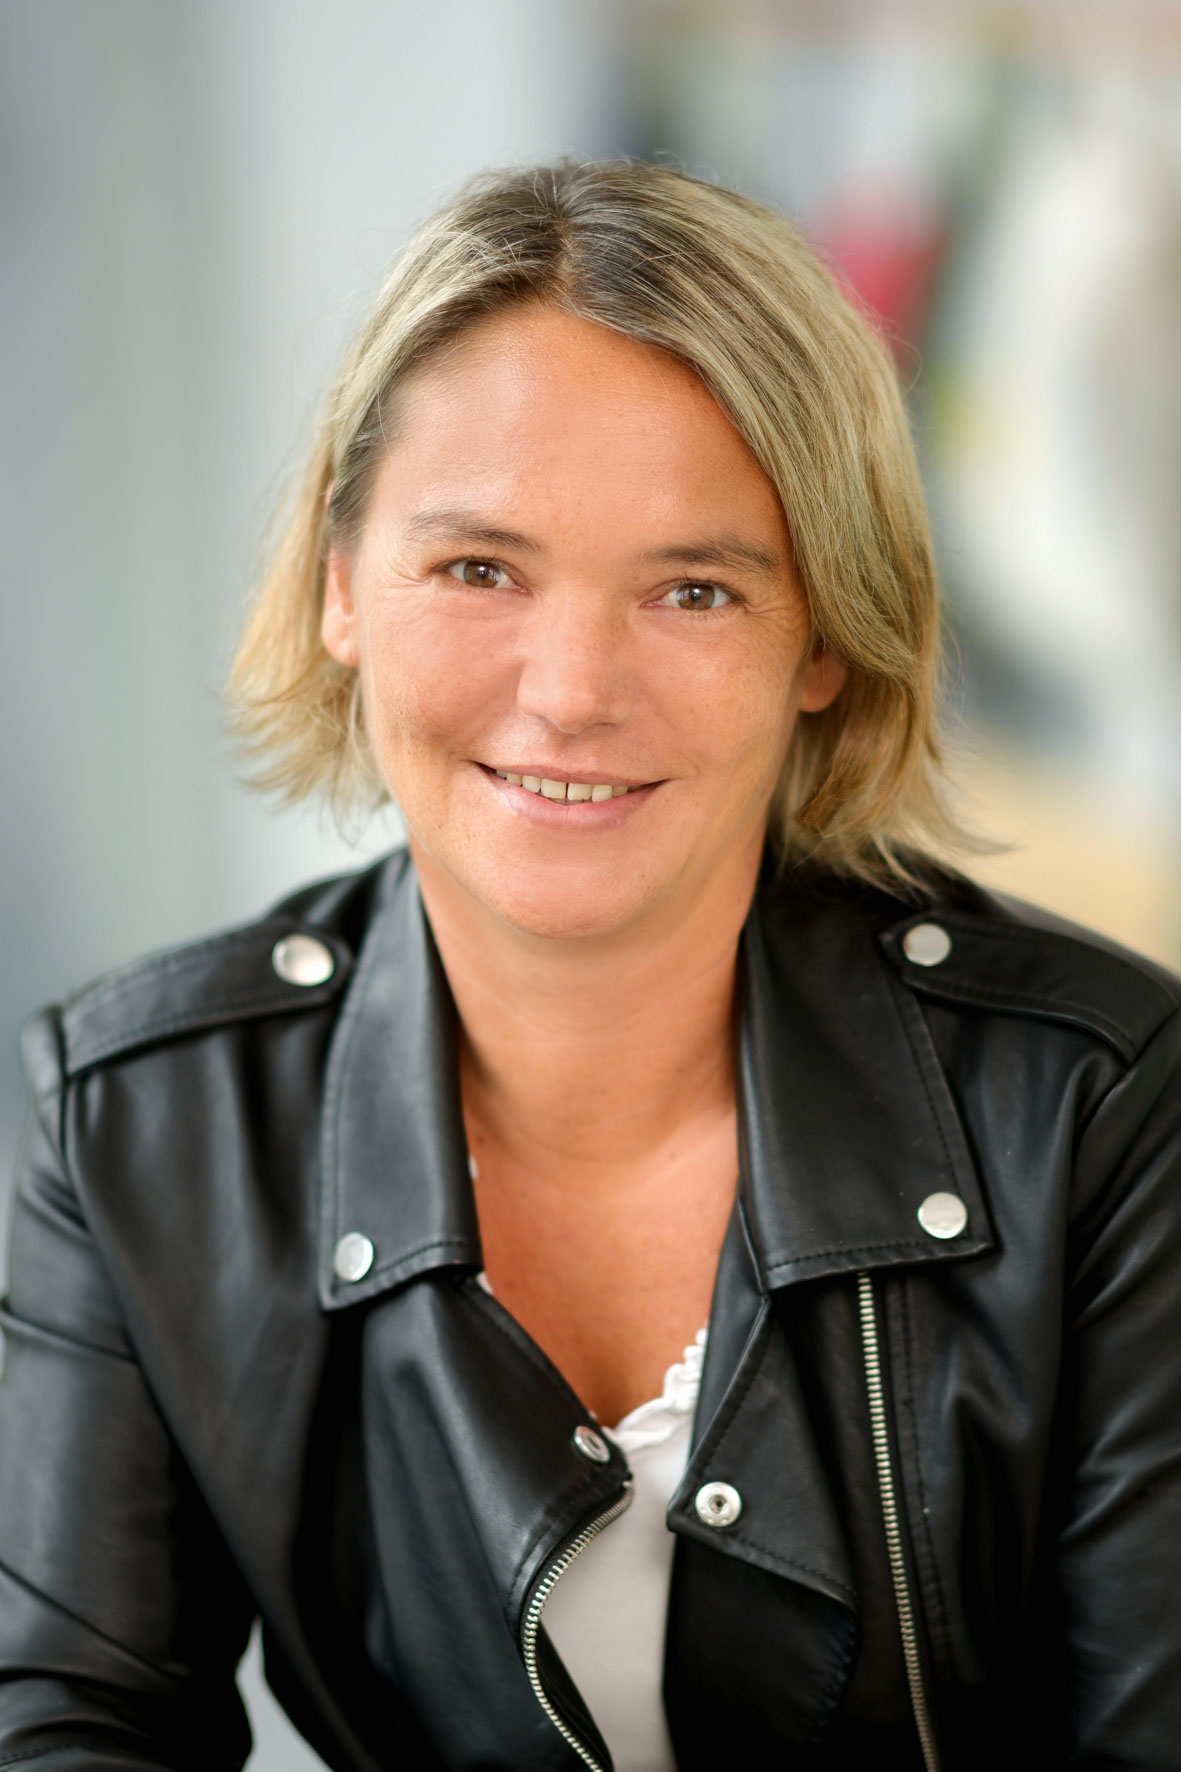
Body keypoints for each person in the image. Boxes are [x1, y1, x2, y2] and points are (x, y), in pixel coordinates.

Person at [1, 160, 1178, 1772]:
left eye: (692, 589)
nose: (568, 692)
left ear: (821, 637)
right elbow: (72, 1729)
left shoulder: (1099, 1103)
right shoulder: (139, 1118)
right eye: (478, 568)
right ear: (341, 585)